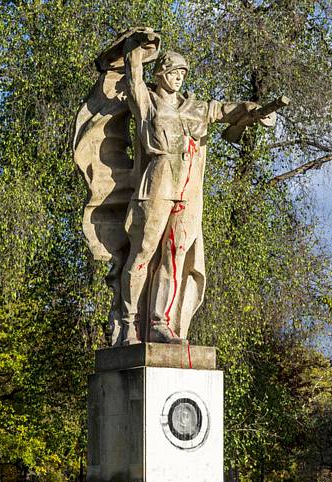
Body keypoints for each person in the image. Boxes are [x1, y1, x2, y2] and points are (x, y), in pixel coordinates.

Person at [120, 31, 276, 345]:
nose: (178, 78)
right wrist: (135, 46)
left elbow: (224, 110)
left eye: (182, 74)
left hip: (188, 190)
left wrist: (253, 110)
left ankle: (159, 322)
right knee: (143, 253)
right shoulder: (146, 100)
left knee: (175, 254)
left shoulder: (195, 107)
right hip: (157, 185)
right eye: (173, 72)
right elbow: (134, 76)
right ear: (161, 73)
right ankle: (128, 324)